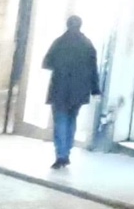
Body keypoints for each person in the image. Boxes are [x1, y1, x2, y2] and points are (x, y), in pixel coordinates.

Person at [40, 15, 100, 170]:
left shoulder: (59, 42)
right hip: (79, 90)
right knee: (72, 119)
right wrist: (95, 89)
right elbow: (93, 69)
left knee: (60, 120)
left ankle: (61, 155)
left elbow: (46, 63)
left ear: (67, 25)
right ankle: (67, 152)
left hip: (60, 88)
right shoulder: (87, 44)